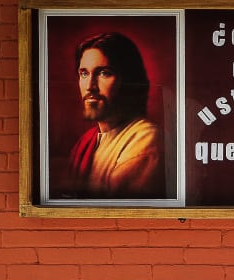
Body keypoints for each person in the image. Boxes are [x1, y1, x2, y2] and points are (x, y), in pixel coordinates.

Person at [67, 31, 166, 199]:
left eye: (104, 73)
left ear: (128, 80)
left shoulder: (145, 140)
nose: (90, 86)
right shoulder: (87, 141)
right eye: (84, 73)